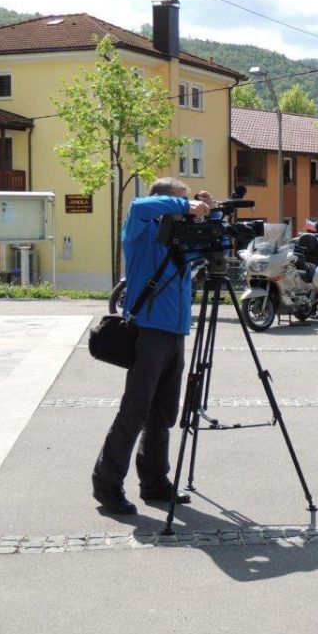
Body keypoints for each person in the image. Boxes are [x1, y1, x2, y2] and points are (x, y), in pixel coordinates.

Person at [92, 177, 211, 514]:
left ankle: (155, 481)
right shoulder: (142, 231)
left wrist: (208, 215)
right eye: (179, 201)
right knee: (134, 411)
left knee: (163, 414)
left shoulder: (179, 238)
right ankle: (107, 485)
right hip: (148, 331)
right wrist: (186, 205)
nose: (185, 208)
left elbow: (210, 247)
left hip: (175, 333)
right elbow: (138, 205)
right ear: (165, 202)